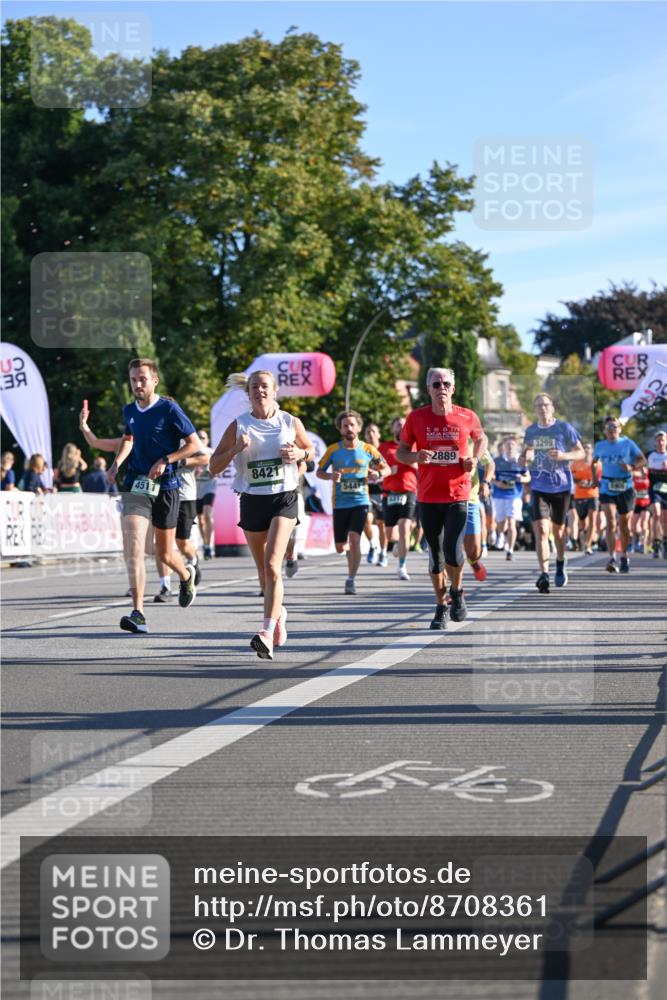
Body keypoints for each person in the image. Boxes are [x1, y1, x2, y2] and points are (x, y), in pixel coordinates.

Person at [209, 369, 314, 660]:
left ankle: (265, 633)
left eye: (265, 386)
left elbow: (310, 450)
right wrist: (234, 449)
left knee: (271, 565)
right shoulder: (239, 425)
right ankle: (278, 614)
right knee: (263, 574)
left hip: (283, 498)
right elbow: (213, 466)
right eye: (254, 387)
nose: (260, 391)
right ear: (249, 393)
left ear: (275, 391)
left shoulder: (290, 422)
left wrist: (300, 455)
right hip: (252, 500)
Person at [107, 358, 201, 634]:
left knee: (164, 553)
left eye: (142, 379)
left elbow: (194, 444)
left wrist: (166, 459)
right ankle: (138, 614)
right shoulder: (129, 411)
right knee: (134, 546)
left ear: (154, 381)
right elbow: (129, 439)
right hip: (137, 483)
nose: (137, 384)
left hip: (167, 486)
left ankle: (185, 574)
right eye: (133, 379)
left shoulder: (169, 409)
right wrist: (116, 463)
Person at [397, 367, 487, 630]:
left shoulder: (467, 416)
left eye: (446, 384)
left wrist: (474, 459)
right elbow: (402, 452)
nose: (442, 388)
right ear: (429, 389)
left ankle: (457, 592)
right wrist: (416, 456)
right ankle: (441, 605)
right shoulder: (416, 418)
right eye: (436, 384)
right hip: (428, 496)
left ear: (453, 388)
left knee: (452, 550)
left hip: (458, 494)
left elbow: (481, 438)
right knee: (435, 557)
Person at [317, 410, 389, 594]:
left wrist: (377, 473)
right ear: (340, 429)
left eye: (352, 425)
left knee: (355, 539)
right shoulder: (333, 450)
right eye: (345, 426)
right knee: (340, 547)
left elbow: (386, 468)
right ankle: (350, 553)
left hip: (361, 500)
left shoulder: (368, 449)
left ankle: (351, 579)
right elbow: (319, 472)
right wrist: (330, 476)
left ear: (358, 427)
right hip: (340, 503)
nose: (349, 428)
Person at [521, 393, 584, 593]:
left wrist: (564, 455)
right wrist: (524, 458)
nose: (543, 408)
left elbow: (580, 452)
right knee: (541, 530)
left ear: (552, 408)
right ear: (534, 410)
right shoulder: (531, 430)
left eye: (546, 405)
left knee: (558, 531)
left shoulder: (564, 428)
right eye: (539, 405)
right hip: (539, 486)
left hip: (561, 487)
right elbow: (525, 453)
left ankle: (560, 561)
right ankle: (544, 574)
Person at [154, 441, 209, 601]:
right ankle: (165, 587)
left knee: (182, 542)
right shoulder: (154, 439)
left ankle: (193, 560)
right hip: (161, 494)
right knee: (161, 545)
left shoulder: (184, 440)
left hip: (185, 496)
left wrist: (182, 461)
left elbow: (205, 458)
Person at [593, 416, 647, 574]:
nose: (612, 430)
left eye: (614, 427)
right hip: (606, 486)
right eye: (609, 427)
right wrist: (595, 478)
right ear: (605, 431)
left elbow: (642, 460)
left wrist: (631, 467)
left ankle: (624, 556)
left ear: (619, 429)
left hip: (625, 487)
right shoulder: (600, 445)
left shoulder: (627, 443)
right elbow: (594, 462)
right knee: (610, 521)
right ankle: (612, 558)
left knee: (624, 525)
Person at [379, 416, 418, 580]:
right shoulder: (384, 447)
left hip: (409, 491)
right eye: (398, 425)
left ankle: (402, 566)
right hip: (389, 493)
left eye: (403, 425)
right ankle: (397, 546)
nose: (401, 428)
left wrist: (410, 462)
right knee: (390, 535)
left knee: (404, 527)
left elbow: (422, 467)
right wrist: (388, 470)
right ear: (392, 429)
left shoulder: (414, 447)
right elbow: (376, 466)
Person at [491, 437, 530, 561]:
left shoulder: (521, 461)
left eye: (513, 445)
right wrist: (498, 483)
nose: (510, 447)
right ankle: (501, 534)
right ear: (504, 447)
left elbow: (528, 477)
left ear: (516, 447)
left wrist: (522, 479)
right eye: (508, 445)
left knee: (512, 522)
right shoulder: (497, 461)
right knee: (501, 523)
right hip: (499, 495)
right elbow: (490, 476)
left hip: (514, 496)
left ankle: (510, 550)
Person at [465, 445, 495, 581]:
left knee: (474, 551)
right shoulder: (437, 437)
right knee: (450, 548)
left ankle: (474, 562)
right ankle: (455, 588)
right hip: (446, 499)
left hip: (471, 498)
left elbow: (489, 464)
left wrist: (485, 482)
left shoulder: (473, 441)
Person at [363, 422, 388, 566]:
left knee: (381, 524)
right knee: (365, 519)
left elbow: (390, 469)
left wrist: (379, 473)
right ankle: (373, 545)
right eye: (368, 432)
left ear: (378, 434)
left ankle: (383, 553)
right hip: (366, 491)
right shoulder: (362, 451)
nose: (370, 434)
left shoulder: (384, 450)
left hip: (383, 491)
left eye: (373, 431)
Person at [570, 442, 599, 554]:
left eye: (588, 448)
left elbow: (600, 478)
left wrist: (591, 483)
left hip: (593, 495)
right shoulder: (576, 463)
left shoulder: (597, 463)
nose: (586, 450)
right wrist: (579, 481)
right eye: (584, 448)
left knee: (592, 520)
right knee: (583, 522)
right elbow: (571, 477)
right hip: (579, 495)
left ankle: (588, 545)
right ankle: (585, 534)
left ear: (592, 450)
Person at [194, 429, 216, 560]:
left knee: (207, 515)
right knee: (201, 519)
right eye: (199, 437)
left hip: (209, 487)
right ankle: (206, 544)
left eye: (203, 438)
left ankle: (209, 545)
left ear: (207, 440)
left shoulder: (212, 452)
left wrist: (212, 471)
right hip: (197, 490)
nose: (201, 440)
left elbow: (219, 469)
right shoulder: (192, 453)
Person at [647, 430, 667, 559]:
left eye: (662, 440)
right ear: (655, 442)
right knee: (656, 514)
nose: (660, 443)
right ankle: (656, 543)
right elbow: (639, 465)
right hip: (654, 489)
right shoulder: (650, 455)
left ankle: (665, 541)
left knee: (665, 519)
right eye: (658, 440)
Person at [630, 466, 651, 552]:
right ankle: (636, 540)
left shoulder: (648, 474)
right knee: (634, 525)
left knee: (644, 523)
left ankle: (643, 544)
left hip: (647, 502)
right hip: (637, 502)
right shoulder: (634, 474)